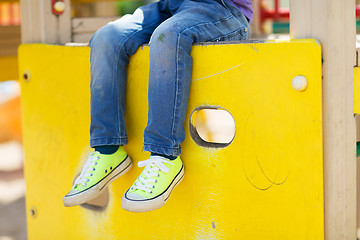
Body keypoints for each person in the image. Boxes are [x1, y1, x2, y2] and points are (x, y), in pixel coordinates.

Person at [63, 0, 253, 212]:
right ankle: (107, 149)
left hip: (220, 9)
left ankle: (165, 156)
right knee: (106, 38)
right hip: (171, 6)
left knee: (168, 36)